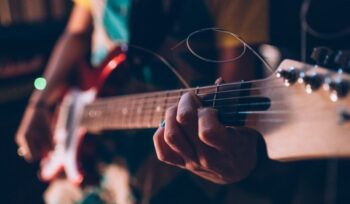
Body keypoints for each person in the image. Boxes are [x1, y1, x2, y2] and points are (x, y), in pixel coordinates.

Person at [16, 0, 270, 203]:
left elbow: (234, 97)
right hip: (94, 158)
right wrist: (38, 103)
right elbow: (75, 34)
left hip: (171, 170)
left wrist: (229, 154)